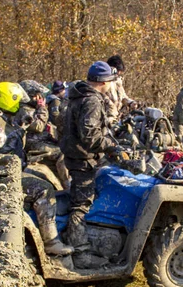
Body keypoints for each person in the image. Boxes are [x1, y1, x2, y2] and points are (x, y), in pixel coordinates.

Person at [0, 82, 73, 256]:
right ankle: (51, 242)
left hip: (9, 170)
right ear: (7, 101)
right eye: (17, 102)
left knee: (46, 178)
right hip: (1, 177)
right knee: (44, 189)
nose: (20, 105)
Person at [61, 61, 123, 268]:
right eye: (111, 80)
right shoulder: (92, 101)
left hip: (77, 155)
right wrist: (111, 146)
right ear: (103, 81)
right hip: (83, 158)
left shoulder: (78, 95)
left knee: (84, 196)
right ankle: (80, 253)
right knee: (81, 204)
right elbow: (89, 135)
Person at [19, 80, 71, 190]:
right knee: (63, 154)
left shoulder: (31, 109)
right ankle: (69, 186)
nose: (41, 98)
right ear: (31, 96)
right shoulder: (24, 110)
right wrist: (42, 108)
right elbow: (38, 126)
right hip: (33, 144)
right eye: (38, 96)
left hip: (41, 141)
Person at [105, 55, 137, 123]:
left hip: (116, 119)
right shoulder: (103, 83)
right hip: (106, 120)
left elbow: (122, 96)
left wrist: (130, 103)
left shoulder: (118, 82)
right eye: (117, 72)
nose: (118, 75)